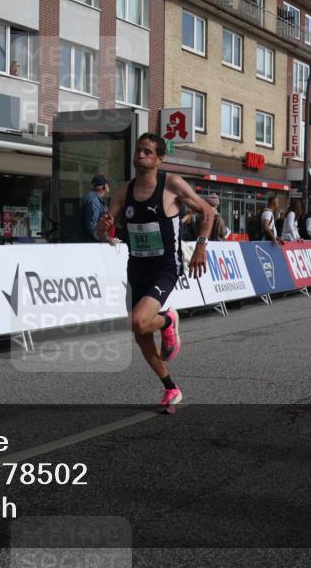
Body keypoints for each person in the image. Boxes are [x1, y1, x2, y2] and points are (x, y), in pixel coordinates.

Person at [96, 133, 215, 414]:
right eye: (138, 150)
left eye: (148, 151)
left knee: (138, 321)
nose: (140, 155)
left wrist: (201, 245)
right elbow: (103, 232)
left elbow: (207, 212)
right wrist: (102, 227)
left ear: (159, 158)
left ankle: (167, 320)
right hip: (136, 267)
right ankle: (170, 387)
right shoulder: (124, 191)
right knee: (140, 334)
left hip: (165, 266)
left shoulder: (172, 185)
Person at [79, 174, 110, 242]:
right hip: (91, 244)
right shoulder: (94, 200)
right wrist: (107, 238)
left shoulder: (93, 198)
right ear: (105, 186)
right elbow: (92, 227)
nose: (109, 186)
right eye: (108, 184)